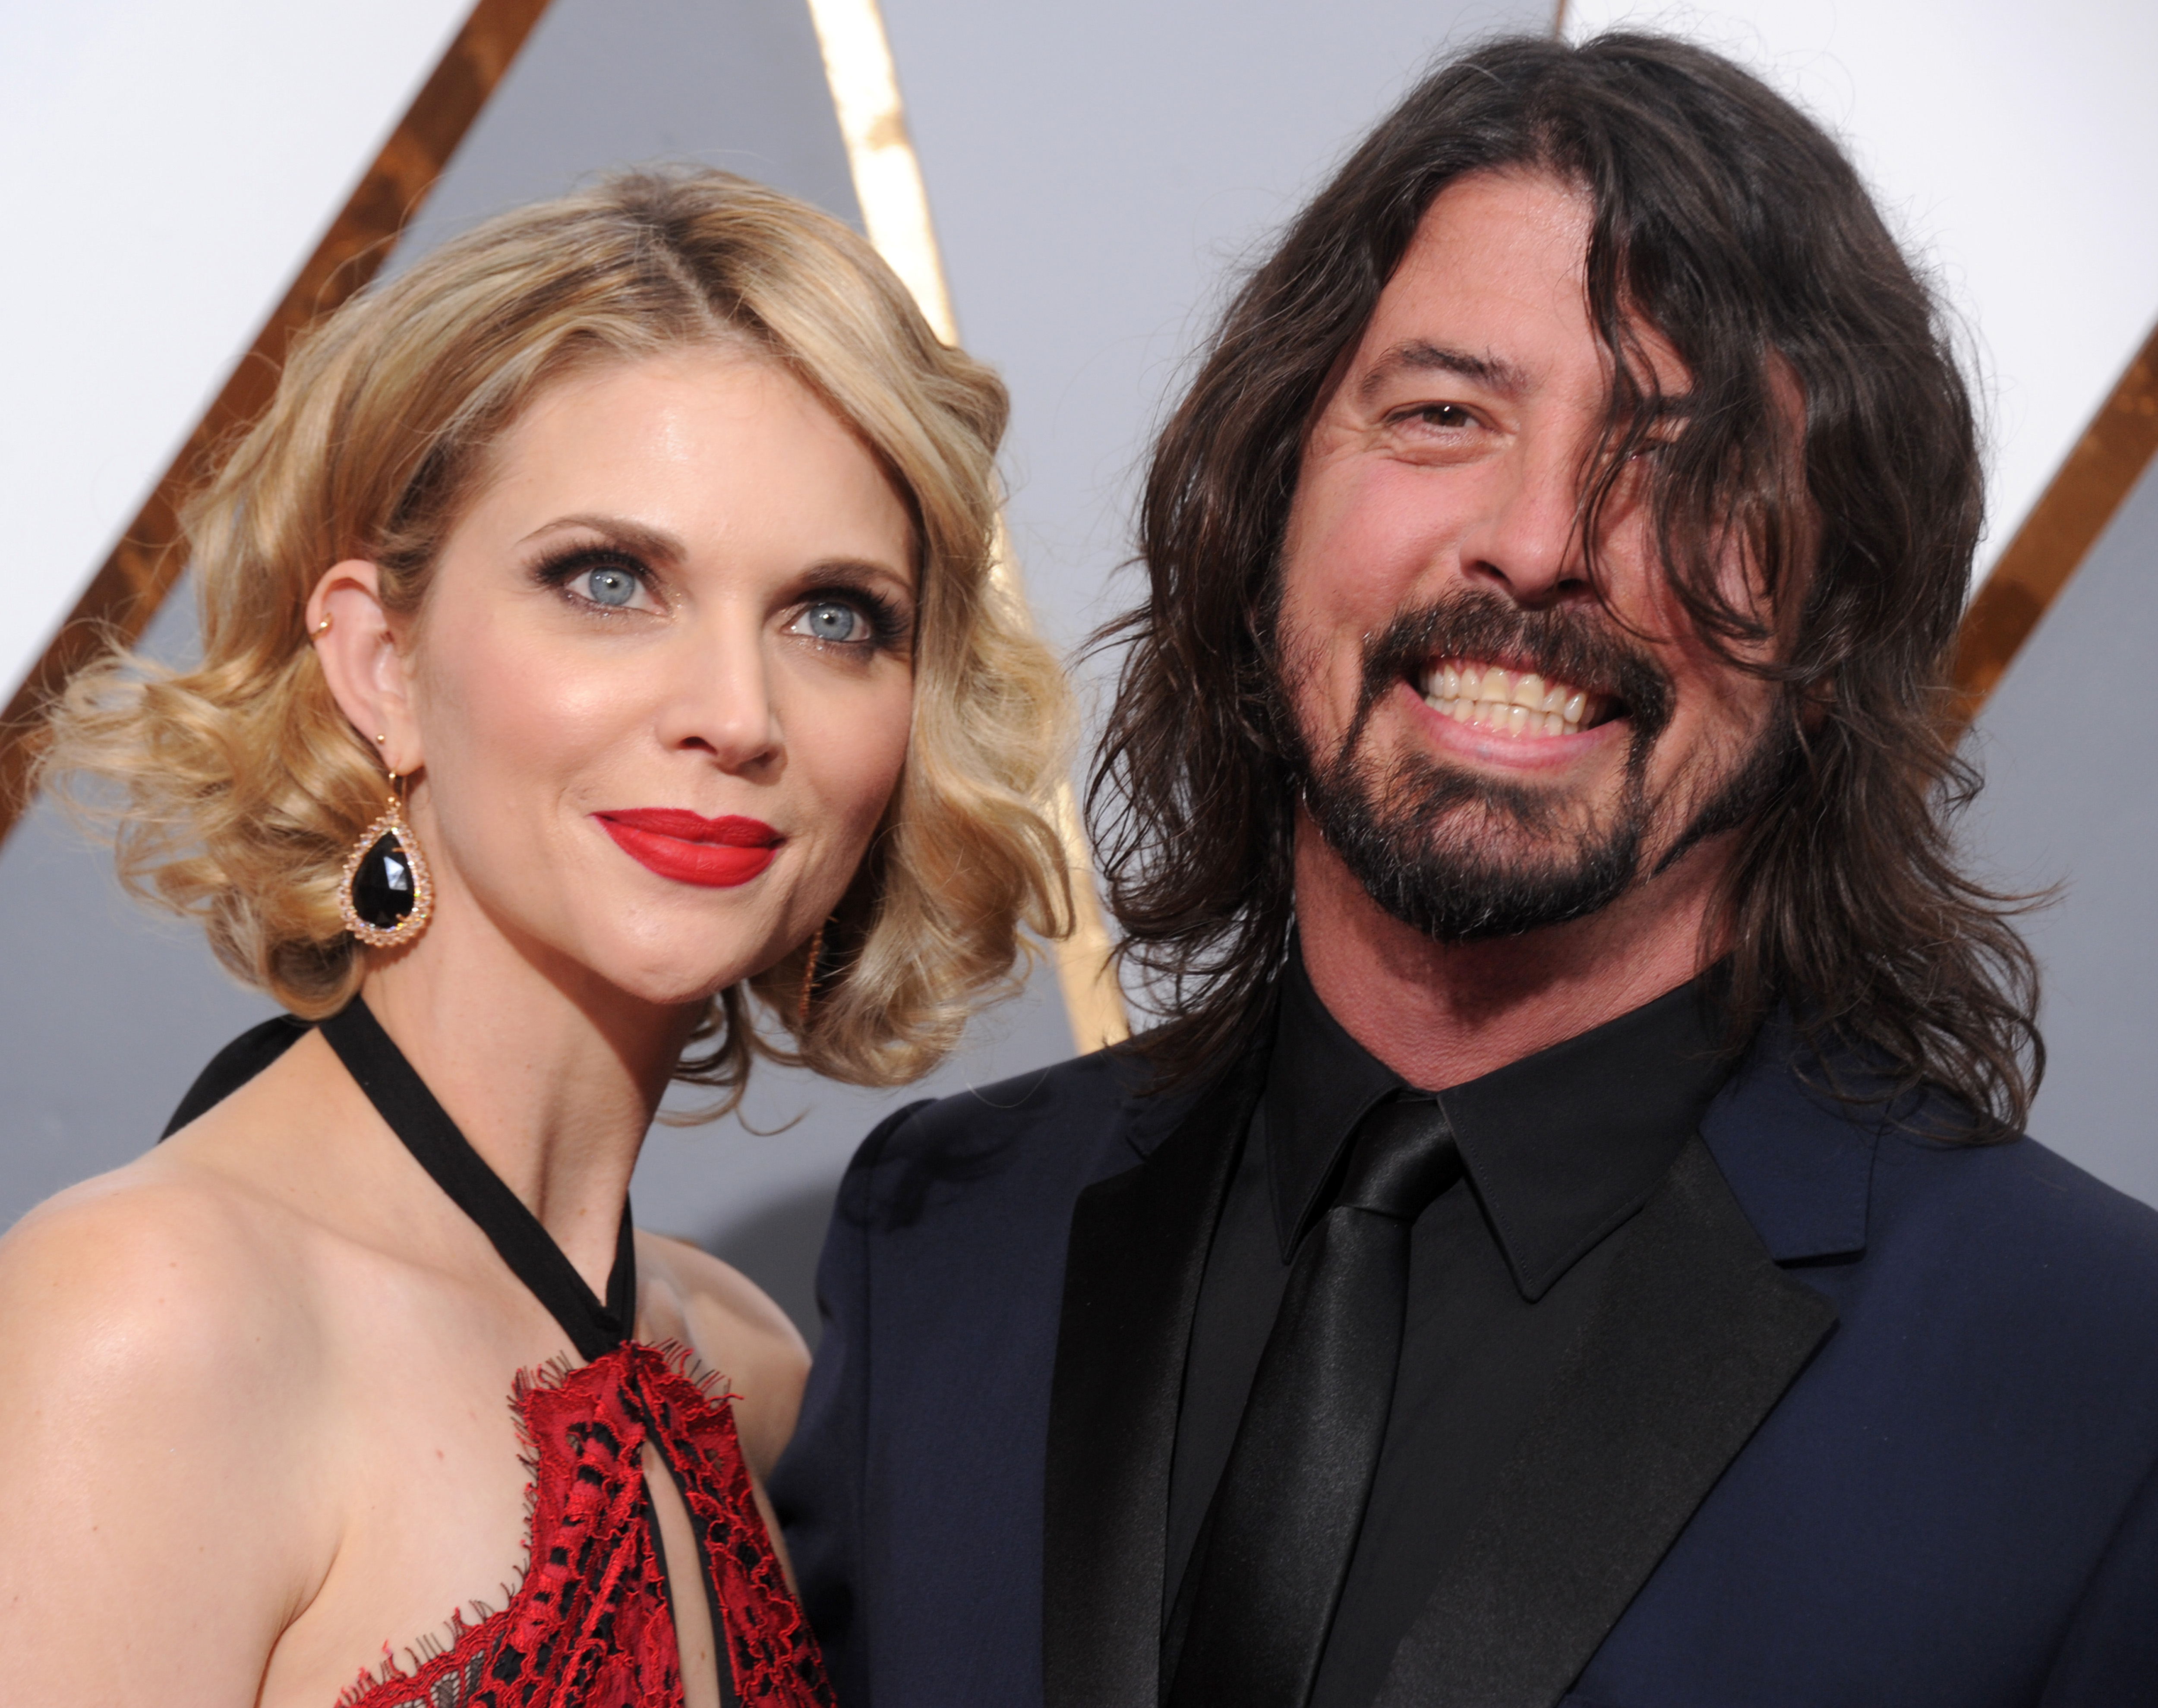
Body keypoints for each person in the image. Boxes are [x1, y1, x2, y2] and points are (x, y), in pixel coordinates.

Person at [770, 32, 2158, 1708]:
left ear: (1829, 616)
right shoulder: (943, 1236)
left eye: (1679, 462)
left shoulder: (2093, 1376)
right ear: (1265, 497)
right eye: (1441, 414)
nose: (1537, 538)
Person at [0, 169, 1070, 1708]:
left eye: (835, 617)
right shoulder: (149, 1325)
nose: (736, 715)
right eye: (611, 582)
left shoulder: (748, 1376)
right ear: (380, 661)